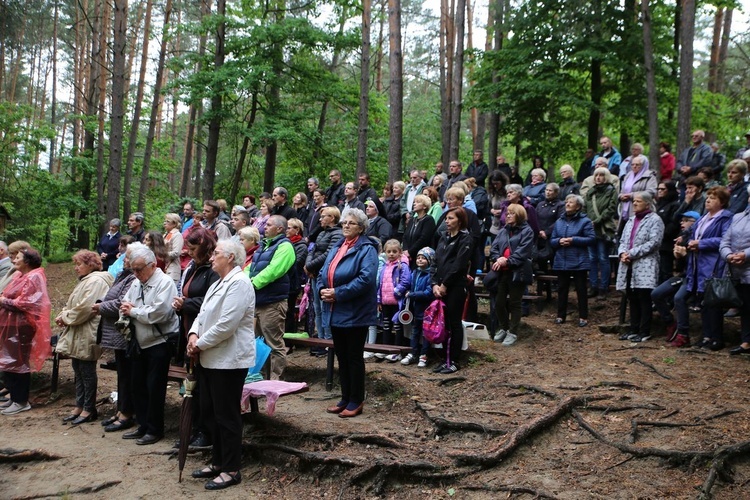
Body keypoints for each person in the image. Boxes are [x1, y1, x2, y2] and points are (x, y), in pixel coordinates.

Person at [187, 240, 255, 490]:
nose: (211, 257)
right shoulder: (217, 283)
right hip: (209, 357)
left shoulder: (240, 283)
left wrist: (199, 344)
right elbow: (201, 316)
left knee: (226, 415)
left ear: (230, 257)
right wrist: (193, 336)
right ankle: (217, 462)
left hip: (229, 360)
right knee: (210, 412)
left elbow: (227, 325)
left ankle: (231, 468)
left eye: (216, 253)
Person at [319, 208, 378, 417]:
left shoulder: (367, 249)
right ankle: (345, 397)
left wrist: (338, 293)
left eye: (351, 223)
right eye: (344, 222)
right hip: (335, 310)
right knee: (341, 357)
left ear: (361, 228)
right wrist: (321, 290)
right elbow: (322, 272)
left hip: (355, 312)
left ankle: (356, 400)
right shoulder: (338, 246)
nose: (345, 226)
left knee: (353, 357)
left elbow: (366, 279)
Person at [120, 243, 180, 445]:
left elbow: (160, 313)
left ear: (153, 265)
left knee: (154, 388)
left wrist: (135, 311)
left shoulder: (165, 282)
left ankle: (155, 429)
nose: (135, 273)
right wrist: (132, 309)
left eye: (139, 269)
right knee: (137, 386)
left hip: (159, 342)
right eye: (133, 269)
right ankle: (143, 425)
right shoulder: (136, 282)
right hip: (139, 341)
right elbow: (126, 302)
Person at [670, 187, 733, 349]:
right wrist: (683, 237)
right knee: (703, 302)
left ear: (723, 202)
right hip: (696, 265)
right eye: (707, 197)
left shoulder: (726, 218)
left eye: (713, 198)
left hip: (713, 265)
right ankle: (706, 336)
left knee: (713, 303)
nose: (708, 200)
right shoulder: (704, 217)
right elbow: (691, 232)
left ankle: (716, 338)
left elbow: (724, 239)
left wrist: (701, 244)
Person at [173, 228, 219, 446]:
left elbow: (212, 304)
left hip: (204, 335)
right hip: (187, 330)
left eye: (192, 248)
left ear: (205, 247)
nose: (188, 252)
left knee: (203, 387)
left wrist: (186, 304)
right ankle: (192, 429)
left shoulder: (213, 271)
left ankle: (205, 432)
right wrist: (180, 304)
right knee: (192, 385)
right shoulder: (194, 268)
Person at [55, 251, 113, 425]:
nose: (76, 268)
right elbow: (73, 304)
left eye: (79, 264)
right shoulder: (86, 280)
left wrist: (65, 317)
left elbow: (86, 308)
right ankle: (79, 406)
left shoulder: (96, 281)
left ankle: (89, 408)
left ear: (90, 264)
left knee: (87, 371)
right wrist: (63, 313)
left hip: (88, 330)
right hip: (78, 330)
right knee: (78, 368)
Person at [0, 248, 52, 415]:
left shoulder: (34, 276)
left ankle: (21, 400)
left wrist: (2, 300)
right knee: (8, 362)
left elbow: (26, 303)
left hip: (21, 327)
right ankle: (14, 397)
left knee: (19, 363)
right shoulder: (20, 275)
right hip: (10, 326)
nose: (14, 260)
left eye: (18, 258)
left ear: (27, 262)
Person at [92, 243, 138, 432]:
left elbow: (122, 302)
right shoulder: (122, 275)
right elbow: (111, 294)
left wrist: (101, 307)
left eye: (127, 257)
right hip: (115, 332)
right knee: (122, 373)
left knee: (127, 375)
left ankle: (127, 413)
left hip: (123, 334)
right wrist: (101, 302)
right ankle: (121, 411)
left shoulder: (133, 277)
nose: (123, 259)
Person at [247, 215, 295, 380]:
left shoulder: (285, 246)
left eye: (268, 225)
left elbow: (275, 270)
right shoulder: (262, 247)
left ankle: (275, 381)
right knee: (259, 345)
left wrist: (252, 284)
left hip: (273, 303)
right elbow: (251, 268)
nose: (264, 227)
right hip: (258, 302)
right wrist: (242, 280)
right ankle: (259, 379)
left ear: (280, 229)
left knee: (273, 344)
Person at [616, 192, 665, 343]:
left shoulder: (655, 220)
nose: (634, 204)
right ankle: (633, 329)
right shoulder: (631, 220)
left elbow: (654, 242)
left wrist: (631, 253)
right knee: (632, 297)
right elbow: (623, 239)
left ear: (648, 204)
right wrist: (622, 253)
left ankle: (644, 331)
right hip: (628, 263)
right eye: (634, 201)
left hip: (645, 263)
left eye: (638, 201)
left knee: (644, 297)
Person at [431, 207, 472, 373]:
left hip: (454, 287)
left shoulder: (465, 239)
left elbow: (458, 265)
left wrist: (445, 284)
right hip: (439, 287)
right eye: (446, 218)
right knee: (444, 323)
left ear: (459, 221)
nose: (447, 221)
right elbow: (435, 262)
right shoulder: (443, 238)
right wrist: (434, 283)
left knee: (454, 323)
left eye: (450, 218)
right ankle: (444, 358)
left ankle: (453, 360)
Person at [650, 211, 699, 346]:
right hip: (683, 276)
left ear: (696, 223)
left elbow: (700, 263)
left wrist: (685, 255)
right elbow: (680, 266)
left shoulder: (698, 238)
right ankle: (671, 323)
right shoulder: (682, 238)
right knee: (656, 293)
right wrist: (678, 256)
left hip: (695, 277)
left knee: (679, 298)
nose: (682, 223)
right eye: (681, 220)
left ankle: (683, 334)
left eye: (686, 220)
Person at [489, 204, 534, 346]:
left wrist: (507, 261)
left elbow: (523, 252)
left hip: (517, 272)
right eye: (507, 213)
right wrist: (498, 259)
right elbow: (494, 248)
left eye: (512, 213)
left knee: (515, 303)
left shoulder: (527, 231)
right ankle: (504, 327)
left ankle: (512, 332)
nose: (508, 215)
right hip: (502, 273)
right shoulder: (503, 231)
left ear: (519, 215)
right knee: (499, 303)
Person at [550, 195, 595, 327]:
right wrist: (559, 241)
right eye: (566, 202)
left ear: (578, 207)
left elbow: (591, 239)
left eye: (571, 202)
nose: (567, 204)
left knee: (581, 289)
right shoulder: (559, 221)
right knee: (562, 289)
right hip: (561, 260)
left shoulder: (585, 221)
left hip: (579, 261)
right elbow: (552, 240)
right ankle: (560, 315)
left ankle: (583, 316)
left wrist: (573, 240)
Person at [305, 207, 343, 351]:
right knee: (316, 307)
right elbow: (312, 250)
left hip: (325, 275)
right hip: (314, 273)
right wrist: (309, 266)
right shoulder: (321, 233)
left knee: (324, 307)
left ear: (332, 218)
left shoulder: (338, 234)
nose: (320, 219)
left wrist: (310, 266)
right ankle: (320, 339)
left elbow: (329, 254)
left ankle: (328, 340)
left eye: (323, 217)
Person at [720, 187, 750, 355]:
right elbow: (725, 240)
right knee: (745, 306)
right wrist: (729, 255)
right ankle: (746, 342)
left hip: (747, 264)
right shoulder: (738, 217)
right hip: (736, 269)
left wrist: (745, 254)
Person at [584, 166, 618, 299]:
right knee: (592, 258)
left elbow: (611, 209)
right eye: (596, 175)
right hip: (590, 229)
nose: (598, 178)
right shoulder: (590, 192)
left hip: (603, 229)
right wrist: (587, 222)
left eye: (601, 175)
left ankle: (604, 287)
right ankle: (593, 286)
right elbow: (585, 208)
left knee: (603, 258)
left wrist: (597, 220)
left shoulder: (611, 191)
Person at [400, 247, 434, 368]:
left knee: (426, 333)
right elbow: (410, 285)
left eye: (423, 258)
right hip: (416, 308)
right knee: (415, 332)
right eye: (418, 257)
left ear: (430, 260)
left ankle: (424, 355)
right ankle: (413, 352)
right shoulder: (415, 272)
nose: (419, 260)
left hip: (427, 309)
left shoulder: (431, 275)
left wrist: (412, 295)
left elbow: (428, 293)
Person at [377, 239, 411, 361]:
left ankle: (397, 351)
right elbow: (380, 284)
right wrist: (379, 300)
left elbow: (406, 281)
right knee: (386, 326)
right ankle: (386, 349)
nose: (391, 254)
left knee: (397, 326)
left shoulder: (402, 266)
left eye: (394, 251)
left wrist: (396, 292)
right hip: (385, 302)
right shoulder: (384, 267)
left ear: (400, 252)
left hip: (397, 302)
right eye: (389, 251)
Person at [618, 154, 658, 235]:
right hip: (625, 210)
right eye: (632, 164)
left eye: (637, 165)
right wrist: (621, 196)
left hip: (641, 209)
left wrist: (632, 195)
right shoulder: (628, 175)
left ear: (643, 165)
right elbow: (622, 190)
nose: (634, 166)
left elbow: (651, 192)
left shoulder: (650, 176)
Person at [535, 183, 565, 288]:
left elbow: (559, 220)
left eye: (550, 190)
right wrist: (539, 231)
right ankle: (544, 282)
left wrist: (547, 232)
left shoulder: (561, 205)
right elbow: (535, 218)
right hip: (540, 237)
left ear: (556, 192)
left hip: (553, 236)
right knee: (540, 258)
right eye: (546, 190)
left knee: (554, 259)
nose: (547, 192)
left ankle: (556, 282)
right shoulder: (540, 204)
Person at [655, 181, 682, 283]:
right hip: (658, 242)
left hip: (667, 243)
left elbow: (673, 223)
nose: (660, 191)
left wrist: (663, 234)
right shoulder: (660, 204)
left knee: (665, 270)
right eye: (658, 189)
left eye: (662, 189)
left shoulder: (675, 205)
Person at [285, 218, 308, 334]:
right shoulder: (284, 243)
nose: (286, 230)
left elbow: (297, 264)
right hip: (283, 282)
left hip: (292, 282)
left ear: (297, 230)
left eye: (289, 228)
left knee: (289, 311)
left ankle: (289, 341)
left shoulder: (302, 246)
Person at [401, 194, 436, 268]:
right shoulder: (412, 220)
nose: (414, 204)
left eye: (418, 202)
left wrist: (410, 252)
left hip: (421, 257)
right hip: (408, 256)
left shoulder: (429, 220)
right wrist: (405, 251)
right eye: (414, 202)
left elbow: (424, 239)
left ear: (424, 206)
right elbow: (405, 236)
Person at [163, 213, 184, 285]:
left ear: (174, 224)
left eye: (167, 221)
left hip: (172, 269)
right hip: (164, 268)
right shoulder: (166, 234)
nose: (164, 223)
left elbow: (176, 252)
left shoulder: (177, 235)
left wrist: (162, 254)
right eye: (165, 221)